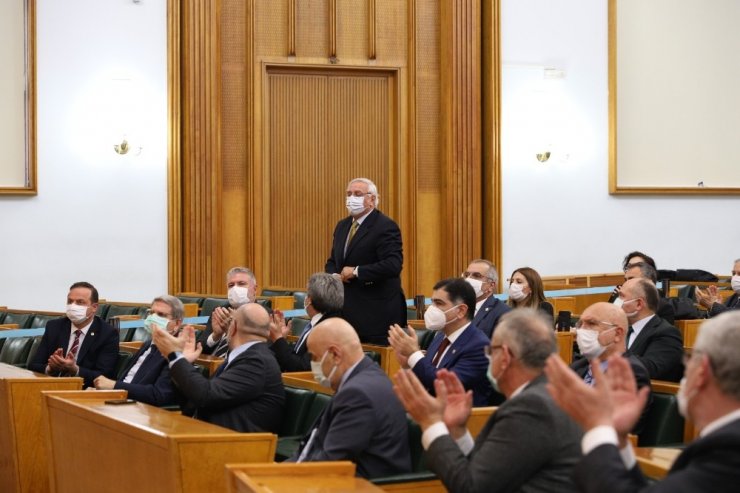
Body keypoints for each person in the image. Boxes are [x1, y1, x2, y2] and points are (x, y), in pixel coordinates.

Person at [544, 311, 740, 493]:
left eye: (690, 358)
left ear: (702, 370)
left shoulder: (729, 450)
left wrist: (599, 427)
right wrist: (619, 439)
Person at [393, 309, 583, 493]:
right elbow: (490, 473)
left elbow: (472, 488)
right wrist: (458, 432)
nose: (488, 356)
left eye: (491, 350)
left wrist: (431, 423)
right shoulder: (543, 394)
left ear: (505, 357)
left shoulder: (532, 407)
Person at [292, 318, 411, 479]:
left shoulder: (358, 394)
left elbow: (329, 464)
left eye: (314, 358)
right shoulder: (364, 377)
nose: (313, 364)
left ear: (335, 355)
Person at [153, 303, 284, 433]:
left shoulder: (257, 361)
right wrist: (184, 363)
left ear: (233, 327)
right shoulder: (247, 356)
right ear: (267, 332)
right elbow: (195, 402)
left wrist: (175, 356)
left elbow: (206, 395)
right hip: (209, 434)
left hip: (233, 445)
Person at [325, 177, 406, 345]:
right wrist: (334, 275)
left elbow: (393, 265)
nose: (351, 198)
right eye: (348, 194)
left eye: (357, 194)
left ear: (372, 199)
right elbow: (333, 260)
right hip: (347, 312)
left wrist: (356, 272)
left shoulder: (385, 226)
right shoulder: (342, 226)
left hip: (376, 315)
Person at [388, 278, 492, 406]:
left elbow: (443, 385)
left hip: (462, 419)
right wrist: (407, 365)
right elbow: (426, 377)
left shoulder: (479, 345)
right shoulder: (440, 336)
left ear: (461, 311)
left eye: (439, 303)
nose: (431, 309)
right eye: (432, 303)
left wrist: (414, 354)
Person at [571, 302, 651, 434]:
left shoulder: (631, 373)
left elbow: (617, 431)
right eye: (580, 324)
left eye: (591, 324)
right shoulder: (578, 366)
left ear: (617, 334)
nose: (582, 330)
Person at [92, 295, 183, 406]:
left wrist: (114, 385)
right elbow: (128, 379)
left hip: (144, 411)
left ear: (177, 324)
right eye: (151, 313)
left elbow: (158, 395)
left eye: (160, 315)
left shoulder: (177, 354)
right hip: (120, 400)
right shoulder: (148, 344)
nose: (153, 318)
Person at [29, 281, 118, 388]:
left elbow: (105, 376)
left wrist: (75, 370)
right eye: (70, 301)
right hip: (50, 386)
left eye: (80, 302)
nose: (73, 306)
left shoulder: (108, 333)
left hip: (83, 392)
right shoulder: (54, 327)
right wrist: (50, 368)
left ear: (94, 307)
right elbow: (34, 365)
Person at [268, 272, 343, 372]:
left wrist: (278, 338)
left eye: (307, 293)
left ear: (310, 300)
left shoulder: (327, 329)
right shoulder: (318, 322)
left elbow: (301, 367)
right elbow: (297, 355)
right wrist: (281, 339)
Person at [618, 278, 684, 382]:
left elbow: (650, 369)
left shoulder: (667, 333)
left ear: (639, 304)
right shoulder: (622, 329)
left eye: (621, 296)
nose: (617, 302)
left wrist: (612, 352)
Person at [197, 266, 258, 356]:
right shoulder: (220, 311)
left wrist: (235, 332)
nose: (235, 289)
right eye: (231, 285)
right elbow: (200, 349)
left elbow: (260, 352)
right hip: (211, 365)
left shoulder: (264, 315)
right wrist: (215, 336)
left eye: (241, 284)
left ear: (255, 289)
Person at [462, 259, 510, 338]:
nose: (469, 279)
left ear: (491, 285)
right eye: (467, 275)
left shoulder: (504, 313)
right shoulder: (456, 307)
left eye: (476, 276)